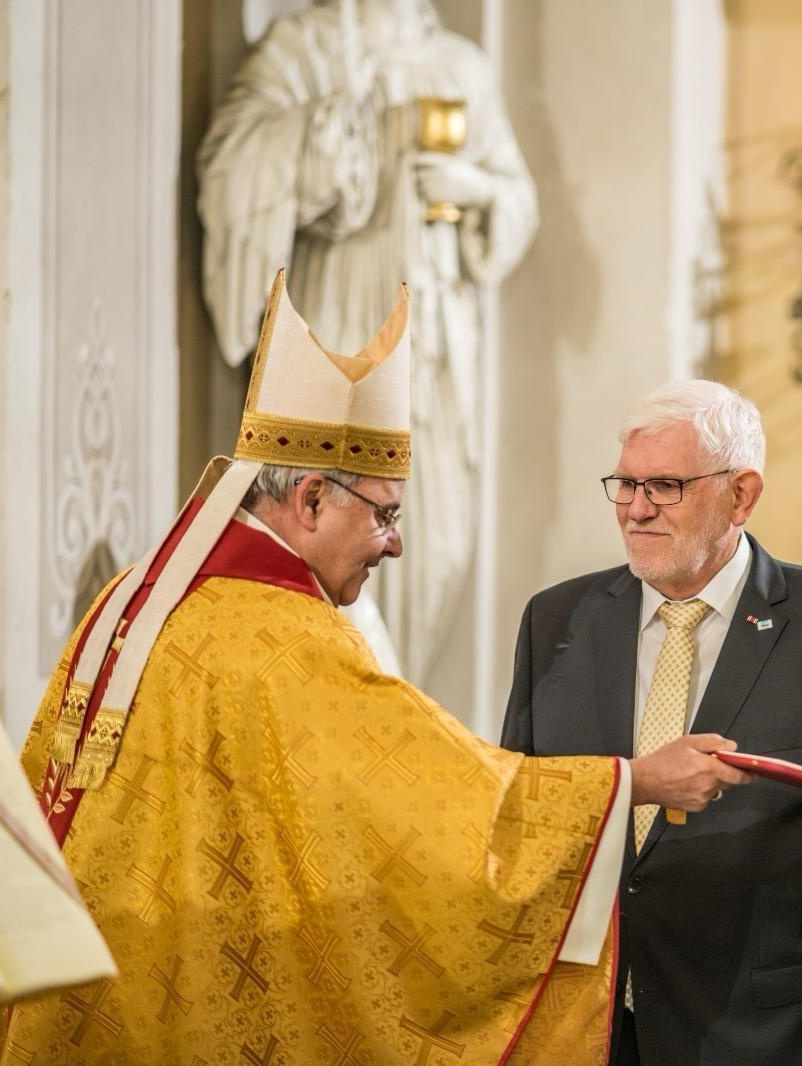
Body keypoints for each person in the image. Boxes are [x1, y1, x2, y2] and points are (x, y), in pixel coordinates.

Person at [0, 273, 737, 1065]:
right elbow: (438, 809)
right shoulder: (285, 641)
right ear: (312, 498)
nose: (395, 543)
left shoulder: (135, 596)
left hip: (78, 995)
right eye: (386, 513)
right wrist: (633, 784)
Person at [501, 380, 802, 1066]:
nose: (636, 510)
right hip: (585, 1033)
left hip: (766, 1039)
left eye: (666, 486)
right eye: (625, 484)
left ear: (743, 494)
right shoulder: (556, 620)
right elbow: (520, 821)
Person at [199, 0, 538, 681]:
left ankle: (396, 697)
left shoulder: (458, 64)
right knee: (326, 520)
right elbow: (232, 170)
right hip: (337, 321)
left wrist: (473, 189)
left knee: (433, 538)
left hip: (435, 346)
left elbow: (515, 195)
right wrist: (325, 142)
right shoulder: (305, 51)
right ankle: (346, 694)